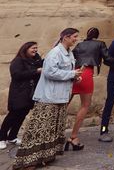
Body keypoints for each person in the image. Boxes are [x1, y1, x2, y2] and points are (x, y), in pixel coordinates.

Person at [13, 28, 83, 170]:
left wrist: (75, 77)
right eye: (74, 37)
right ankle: (28, 160)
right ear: (66, 37)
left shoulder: (69, 53)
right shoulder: (55, 53)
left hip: (60, 96)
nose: (76, 39)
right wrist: (71, 73)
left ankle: (45, 156)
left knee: (53, 129)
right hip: (48, 98)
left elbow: (64, 73)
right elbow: (50, 72)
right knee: (40, 129)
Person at [68, 27, 114, 150]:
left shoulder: (79, 44)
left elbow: (72, 59)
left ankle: (56, 134)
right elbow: (108, 59)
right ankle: (73, 136)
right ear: (97, 35)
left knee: (63, 105)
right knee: (84, 106)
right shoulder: (100, 44)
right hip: (86, 73)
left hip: (74, 72)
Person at [0, 42, 42, 150]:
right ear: (26, 49)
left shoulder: (35, 60)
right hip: (18, 93)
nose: (35, 50)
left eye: (36, 48)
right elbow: (16, 75)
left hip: (29, 93)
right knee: (12, 116)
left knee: (22, 115)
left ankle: (12, 137)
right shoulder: (18, 60)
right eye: (33, 48)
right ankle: (1, 138)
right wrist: (35, 71)